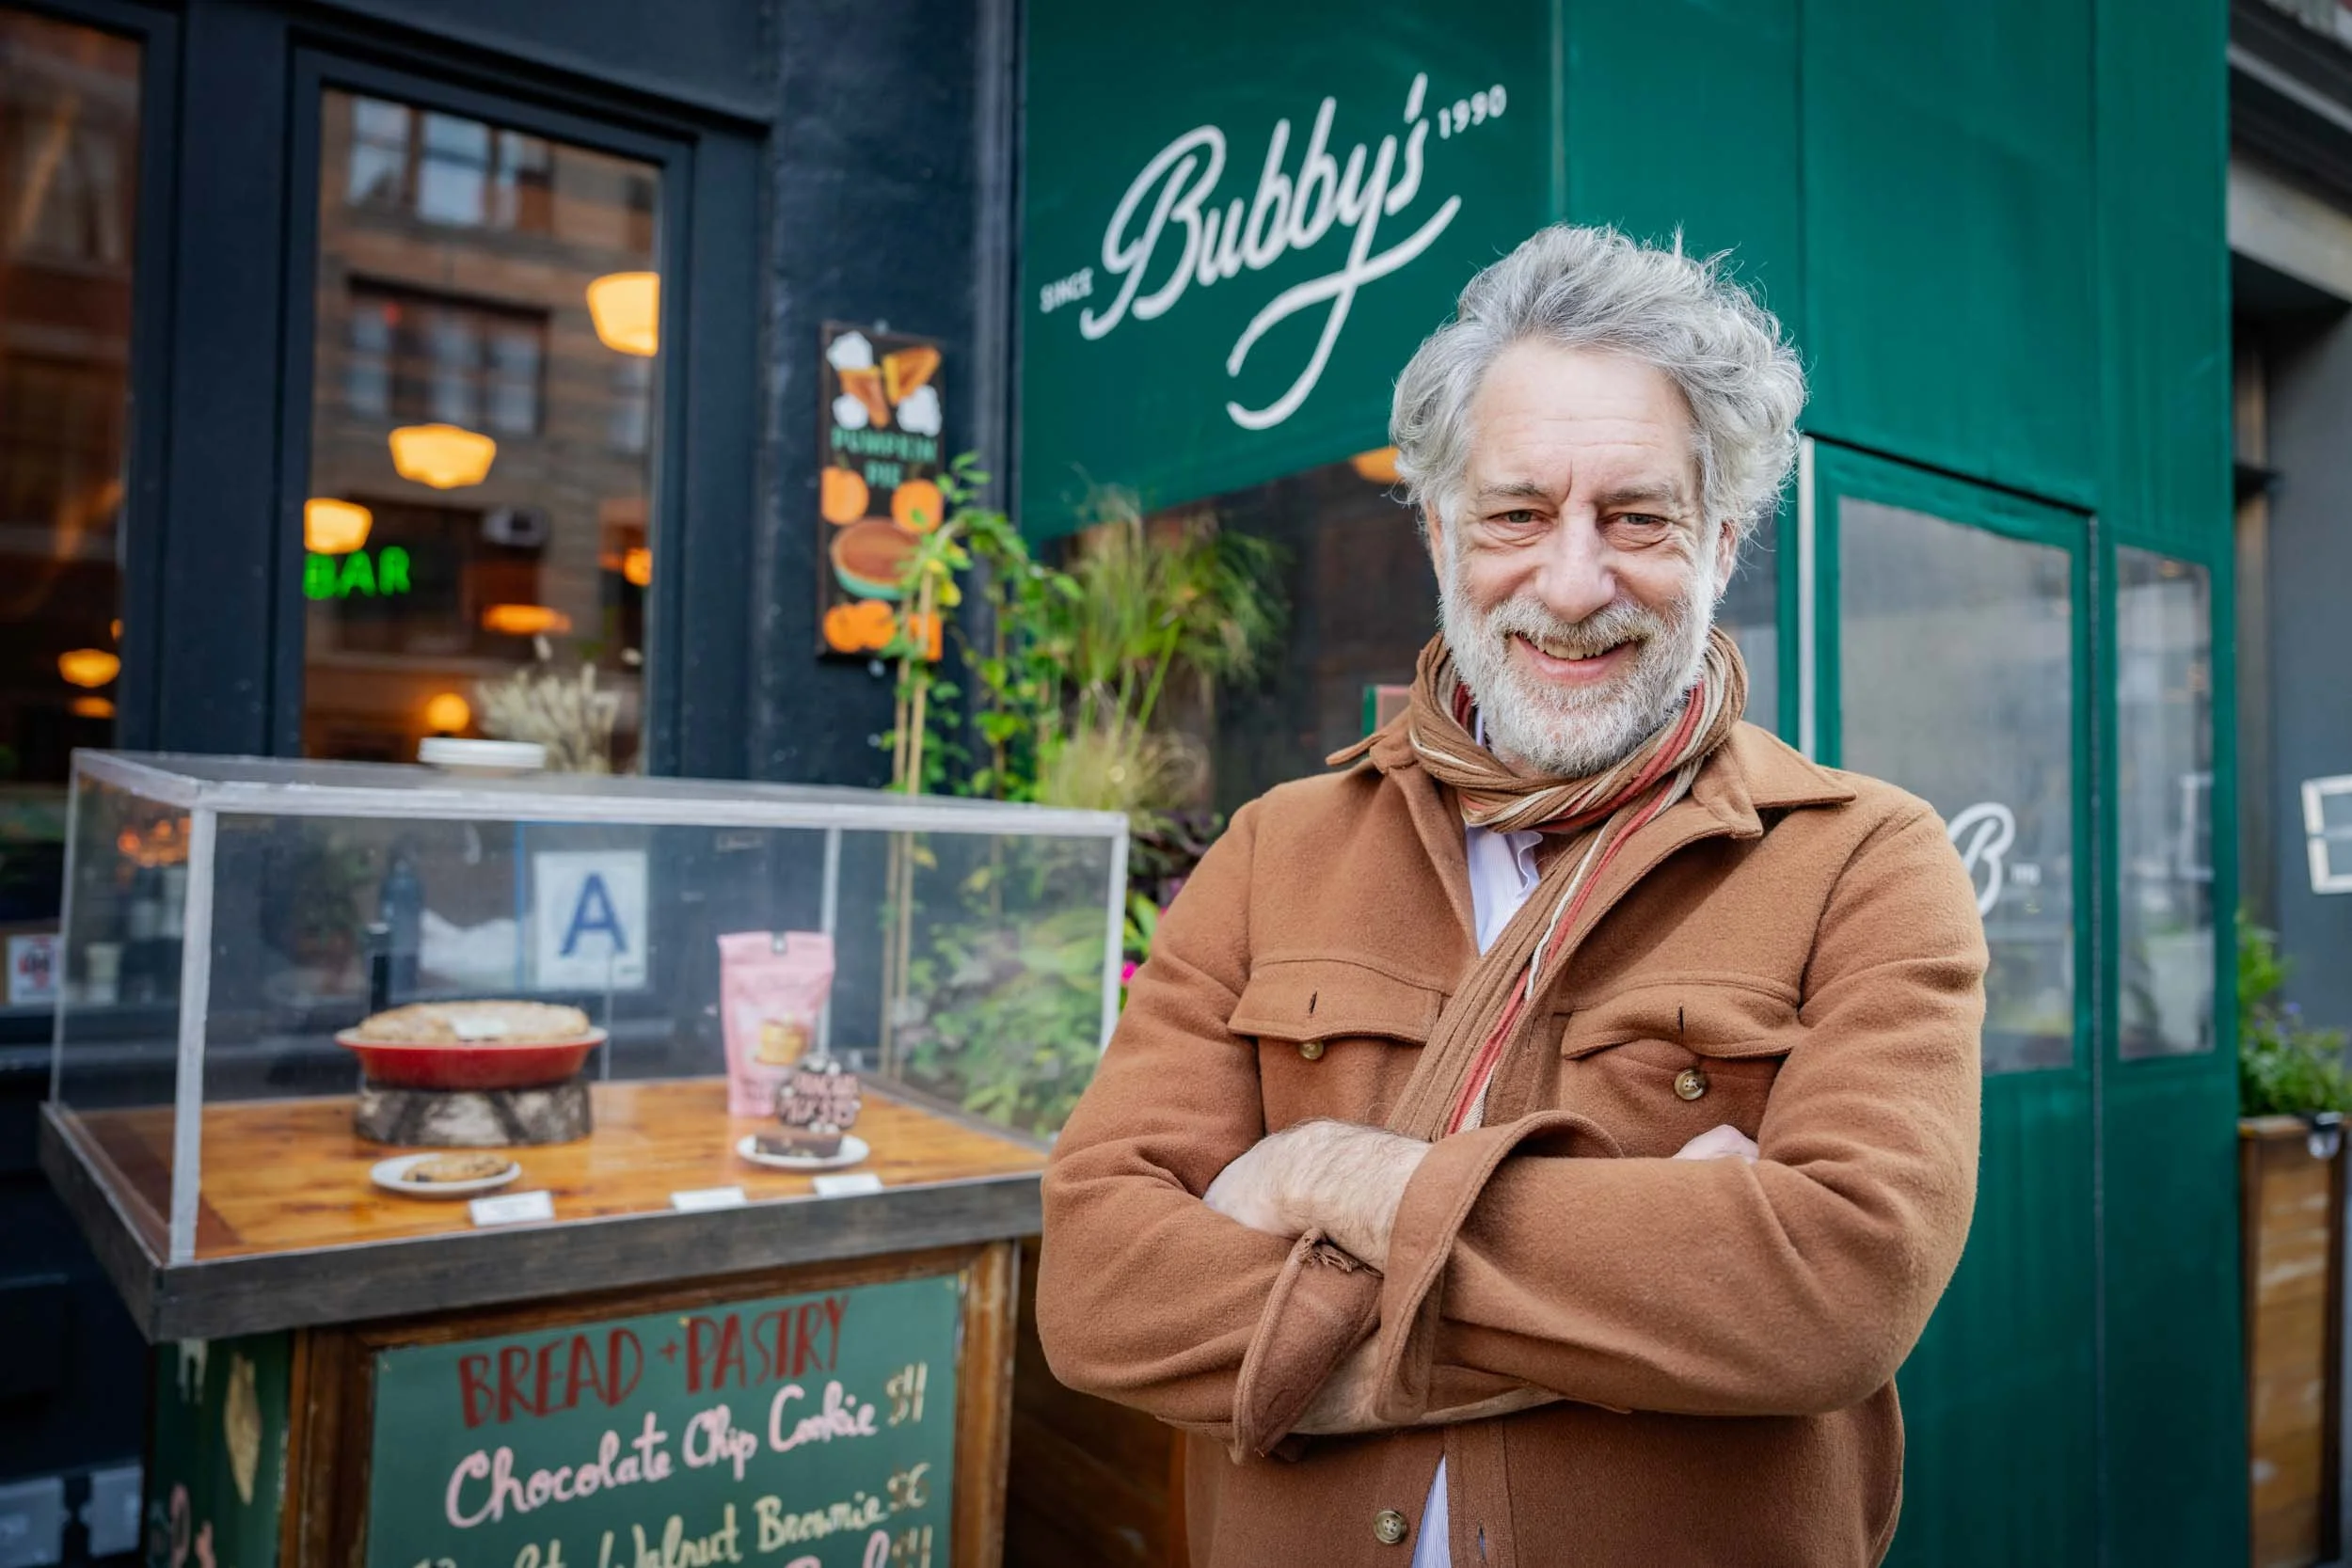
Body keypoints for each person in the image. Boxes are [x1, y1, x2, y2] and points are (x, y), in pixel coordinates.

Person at [1035, 223, 1988, 1567]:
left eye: (1639, 515)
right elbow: (1094, 1290)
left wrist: (1325, 1176)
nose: (1576, 580)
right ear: (1438, 529)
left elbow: (1828, 1292)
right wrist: (1649, 1285)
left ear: (1725, 537)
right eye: (1518, 512)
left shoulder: (1863, 862)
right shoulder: (1272, 848)